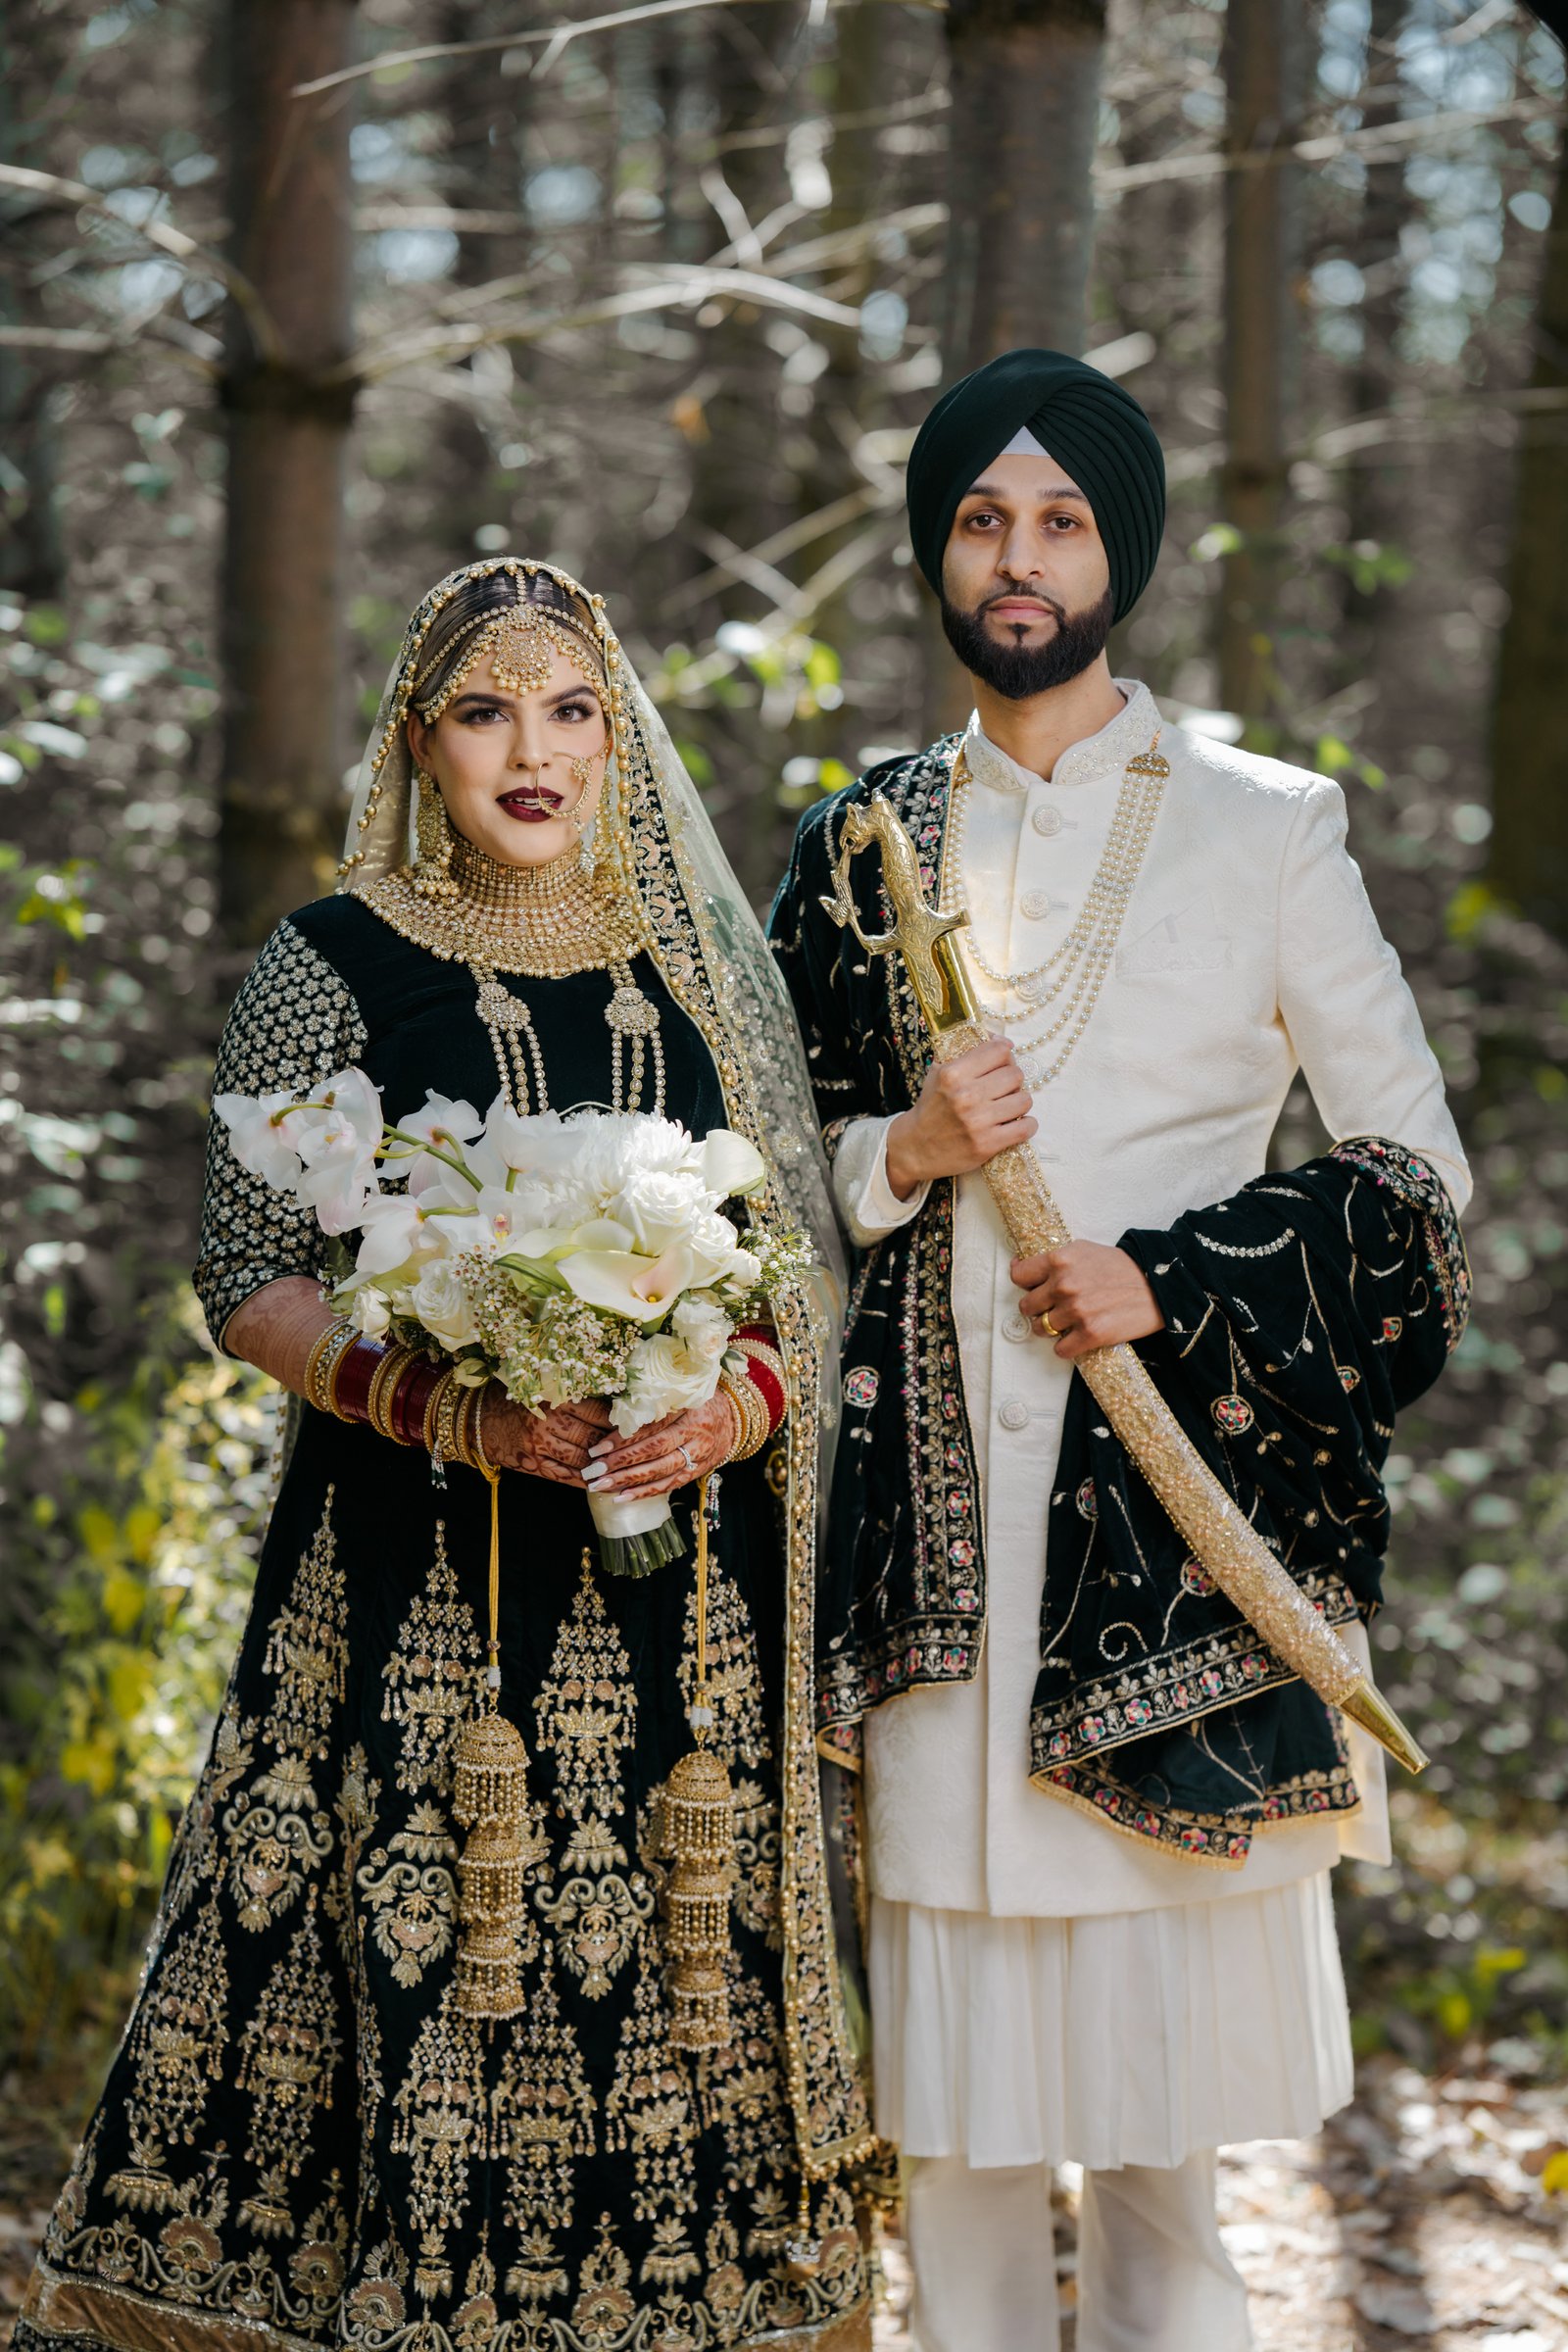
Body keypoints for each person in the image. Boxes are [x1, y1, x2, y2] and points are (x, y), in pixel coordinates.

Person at [17, 560, 875, 2352]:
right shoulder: (330, 961)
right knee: (421, 1976)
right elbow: (240, 1276)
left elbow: (790, 1272)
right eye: (488, 711)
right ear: (423, 743)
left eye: (573, 709)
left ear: (618, 740)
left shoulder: (691, 976)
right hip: (411, 1594)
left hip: (678, 1607)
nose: (534, 750)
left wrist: (736, 1405)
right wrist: (454, 1407)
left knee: (671, 1987)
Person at [769, 349, 1471, 2352]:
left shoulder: (1263, 825)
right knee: (960, 2185)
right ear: (937, 551)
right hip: (928, 1596)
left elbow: (1413, 1176)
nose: (1016, 557)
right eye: (980, 519)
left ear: (1120, 548)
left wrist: (1178, 1278)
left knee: (1171, 2192)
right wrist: (897, 1149)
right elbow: (740, 1185)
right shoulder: (852, 846)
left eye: (1057, 518)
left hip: (1174, 1560)